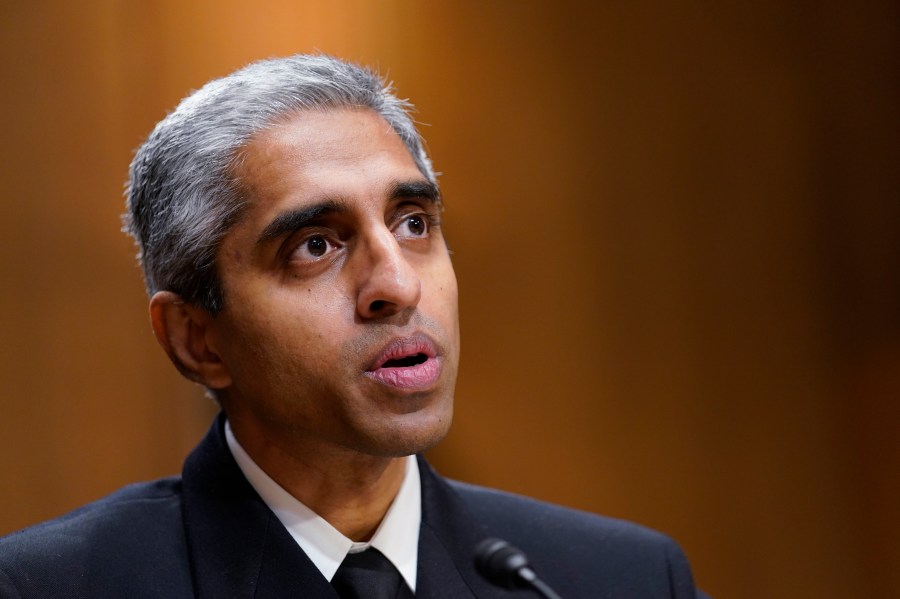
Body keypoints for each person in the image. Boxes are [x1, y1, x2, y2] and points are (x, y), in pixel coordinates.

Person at [0, 54, 707, 598]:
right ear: (197, 338)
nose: (397, 284)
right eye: (315, 245)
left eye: (413, 223)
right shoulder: (48, 586)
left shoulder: (621, 577)